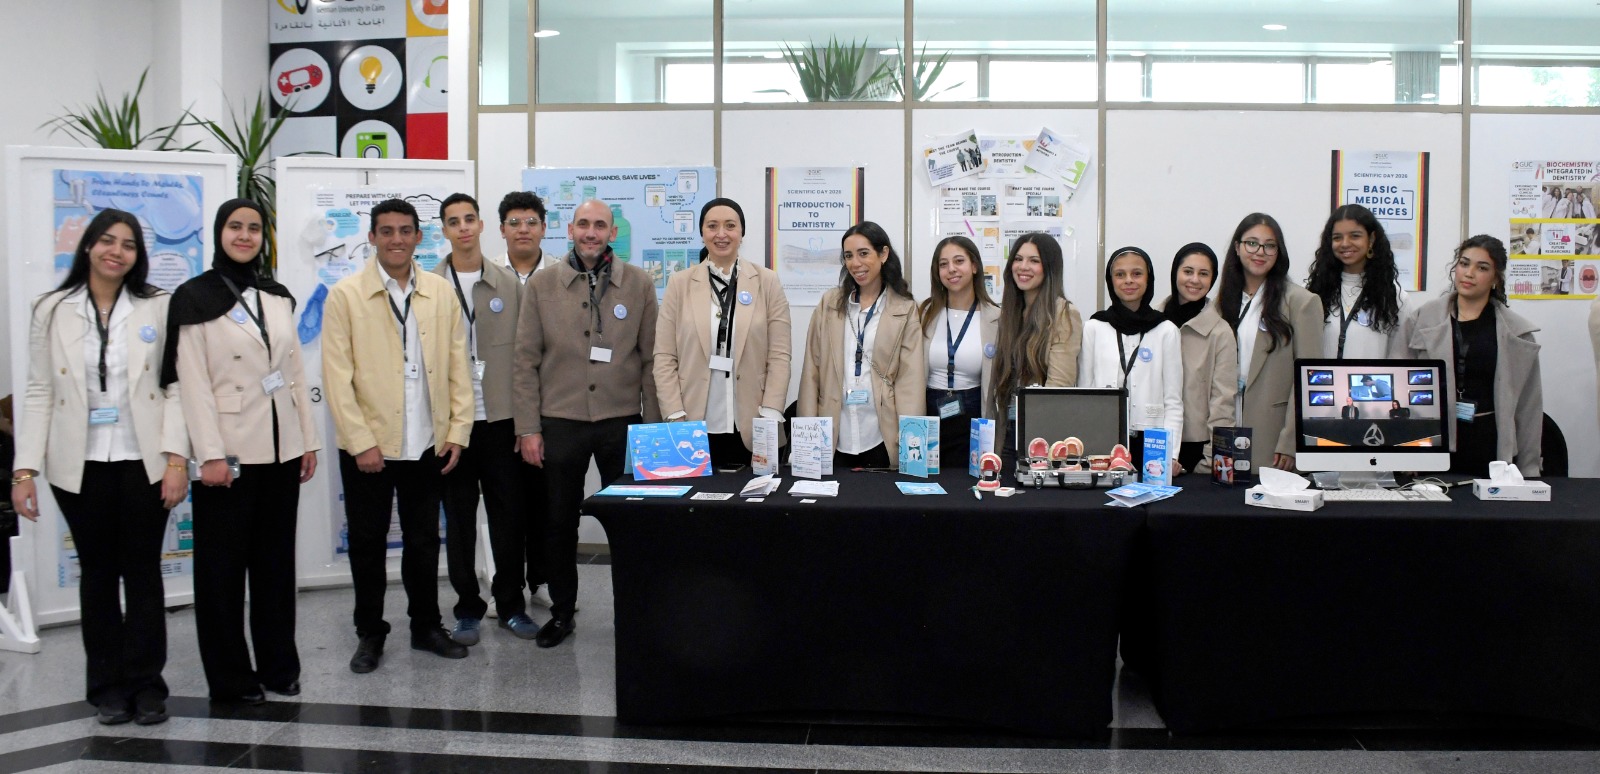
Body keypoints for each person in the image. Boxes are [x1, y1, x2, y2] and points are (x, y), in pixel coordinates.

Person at [12, 209, 189, 726]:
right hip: (78, 463)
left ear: (138, 255)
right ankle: (107, 688)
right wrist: (24, 470)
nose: (117, 251)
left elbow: (175, 387)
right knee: (97, 574)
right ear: (88, 246)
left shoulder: (158, 305)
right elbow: (39, 390)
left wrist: (177, 459)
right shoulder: (51, 308)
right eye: (107, 241)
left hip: (144, 460)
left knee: (143, 572)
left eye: (128, 244)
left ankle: (148, 685)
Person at [166, 199, 319, 704]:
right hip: (228, 454)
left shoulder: (276, 296)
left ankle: (279, 666)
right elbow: (192, 385)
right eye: (235, 226)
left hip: (280, 450)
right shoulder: (194, 297)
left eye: (254, 228)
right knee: (222, 575)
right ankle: (230, 678)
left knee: (275, 568)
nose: (245, 236)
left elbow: (293, 374)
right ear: (219, 233)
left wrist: (306, 440)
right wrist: (208, 454)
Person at [322, 198, 474, 672]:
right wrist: (360, 441)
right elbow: (337, 378)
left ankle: (426, 626)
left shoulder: (439, 293)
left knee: (424, 540)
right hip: (369, 446)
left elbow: (458, 366)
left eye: (405, 231)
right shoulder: (346, 296)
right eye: (386, 231)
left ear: (418, 237)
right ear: (372, 237)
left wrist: (458, 431)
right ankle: (370, 633)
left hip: (426, 441)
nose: (396, 239)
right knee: (367, 544)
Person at [514, 199, 659, 647]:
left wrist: (652, 431)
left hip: (622, 422)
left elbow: (652, 361)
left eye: (599, 225)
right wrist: (528, 428)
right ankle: (562, 612)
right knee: (559, 522)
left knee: (630, 523)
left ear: (612, 233)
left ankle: (634, 615)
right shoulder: (542, 286)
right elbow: (524, 361)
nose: (591, 232)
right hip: (561, 422)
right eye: (583, 224)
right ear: (571, 230)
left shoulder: (639, 284)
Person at [431, 193, 545, 645]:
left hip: (500, 423)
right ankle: (467, 609)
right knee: (459, 522)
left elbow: (526, 359)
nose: (463, 227)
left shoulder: (508, 284)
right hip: (452, 428)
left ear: (481, 226)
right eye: (453, 221)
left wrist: (524, 422)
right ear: (444, 230)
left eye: (469, 219)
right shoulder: (430, 285)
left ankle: (511, 605)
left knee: (508, 519)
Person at [655, 198, 791, 464]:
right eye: (712, 226)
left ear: (742, 232)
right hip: (691, 422)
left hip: (754, 422)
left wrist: (770, 411)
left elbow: (779, 355)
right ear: (702, 232)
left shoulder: (767, 281)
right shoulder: (679, 284)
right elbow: (664, 356)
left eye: (730, 225)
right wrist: (674, 413)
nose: (721, 234)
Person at [1401, 235, 1542, 477]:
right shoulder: (1421, 320)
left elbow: (1529, 407)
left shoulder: (1517, 333)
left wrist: (1529, 469)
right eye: (1464, 263)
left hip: (1489, 446)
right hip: (1431, 444)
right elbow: (1401, 389)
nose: (1469, 273)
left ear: (1496, 278)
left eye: (1482, 268)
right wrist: (1404, 451)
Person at [798, 221, 926, 470]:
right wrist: (806, 431)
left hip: (881, 435)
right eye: (848, 256)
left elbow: (910, 380)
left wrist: (910, 436)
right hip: (832, 435)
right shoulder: (830, 304)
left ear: (883, 254)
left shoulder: (905, 309)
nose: (855, 263)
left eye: (863, 253)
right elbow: (811, 370)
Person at [1216, 212, 1325, 472]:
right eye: (1252, 243)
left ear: (1279, 252)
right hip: (1226, 427)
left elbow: (1310, 378)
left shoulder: (1301, 302)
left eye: (1269, 245)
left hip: (1273, 434)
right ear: (1237, 247)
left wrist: (1291, 441)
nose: (1260, 252)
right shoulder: (1222, 302)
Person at [1078, 246, 1182, 465]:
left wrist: (1171, 455)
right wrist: (1085, 445)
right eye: (1120, 274)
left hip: (1152, 442)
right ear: (1111, 280)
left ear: (1148, 278)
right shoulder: (1094, 327)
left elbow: (1173, 400)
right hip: (1103, 437)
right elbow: (1084, 393)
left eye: (1137, 273)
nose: (1128, 280)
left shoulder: (1166, 330)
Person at [990, 233, 1083, 454]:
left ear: (1049, 268)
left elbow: (1059, 387)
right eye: (1018, 259)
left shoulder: (1063, 313)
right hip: (1007, 431)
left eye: (1034, 261)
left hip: (1041, 434)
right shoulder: (1010, 313)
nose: (1023, 267)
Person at [1156, 243, 1236, 475]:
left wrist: (1212, 458)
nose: (1194, 280)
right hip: (1152, 443)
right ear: (1175, 273)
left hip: (1196, 451)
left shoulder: (1220, 332)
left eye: (1203, 274)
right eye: (1188, 271)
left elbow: (1223, 402)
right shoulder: (1151, 322)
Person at [918, 235, 1000, 456]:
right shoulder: (924, 313)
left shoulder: (996, 318)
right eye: (943, 264)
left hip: (974, 413)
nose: (951, 269)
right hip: (929, 412)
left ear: (974, 266)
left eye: (959, 261)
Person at [1305, 204, 1412, 359]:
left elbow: (1400, 358)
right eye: (1337, 238)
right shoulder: (1312, 292)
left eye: (1355, 236)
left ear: (1371, 239)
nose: (1345, 243)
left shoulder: (1396, 298)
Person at [496, 191, 560, 283]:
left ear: (543, 229)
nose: (524, 230)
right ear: (503, 230)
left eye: (532, 222)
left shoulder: (562, 272)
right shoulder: (488, 272)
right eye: (514, 223)